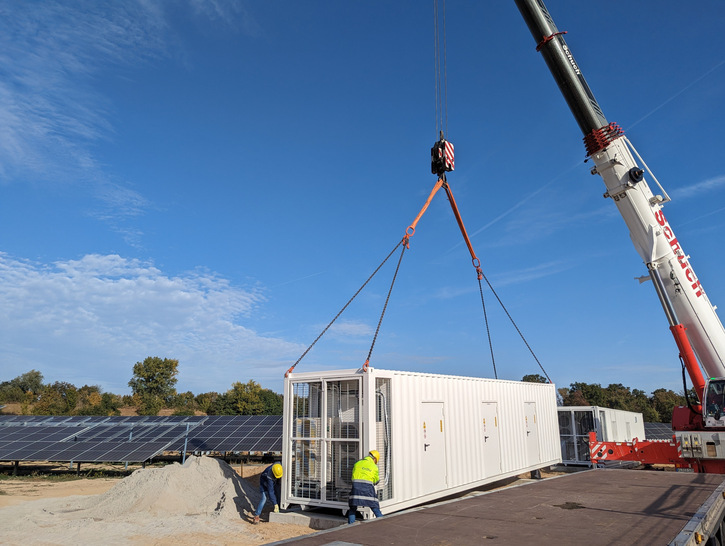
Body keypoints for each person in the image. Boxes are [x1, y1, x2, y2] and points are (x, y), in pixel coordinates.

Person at [346, 449, 383, 524]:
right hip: (368, 488)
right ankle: (382, 522)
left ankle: (350, 525)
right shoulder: (374, 467)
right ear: (375, 459)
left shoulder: (357, 463)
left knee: (353, 508)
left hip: (356, 488)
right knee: (374, 506)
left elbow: (353, 477)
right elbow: (376, 481)